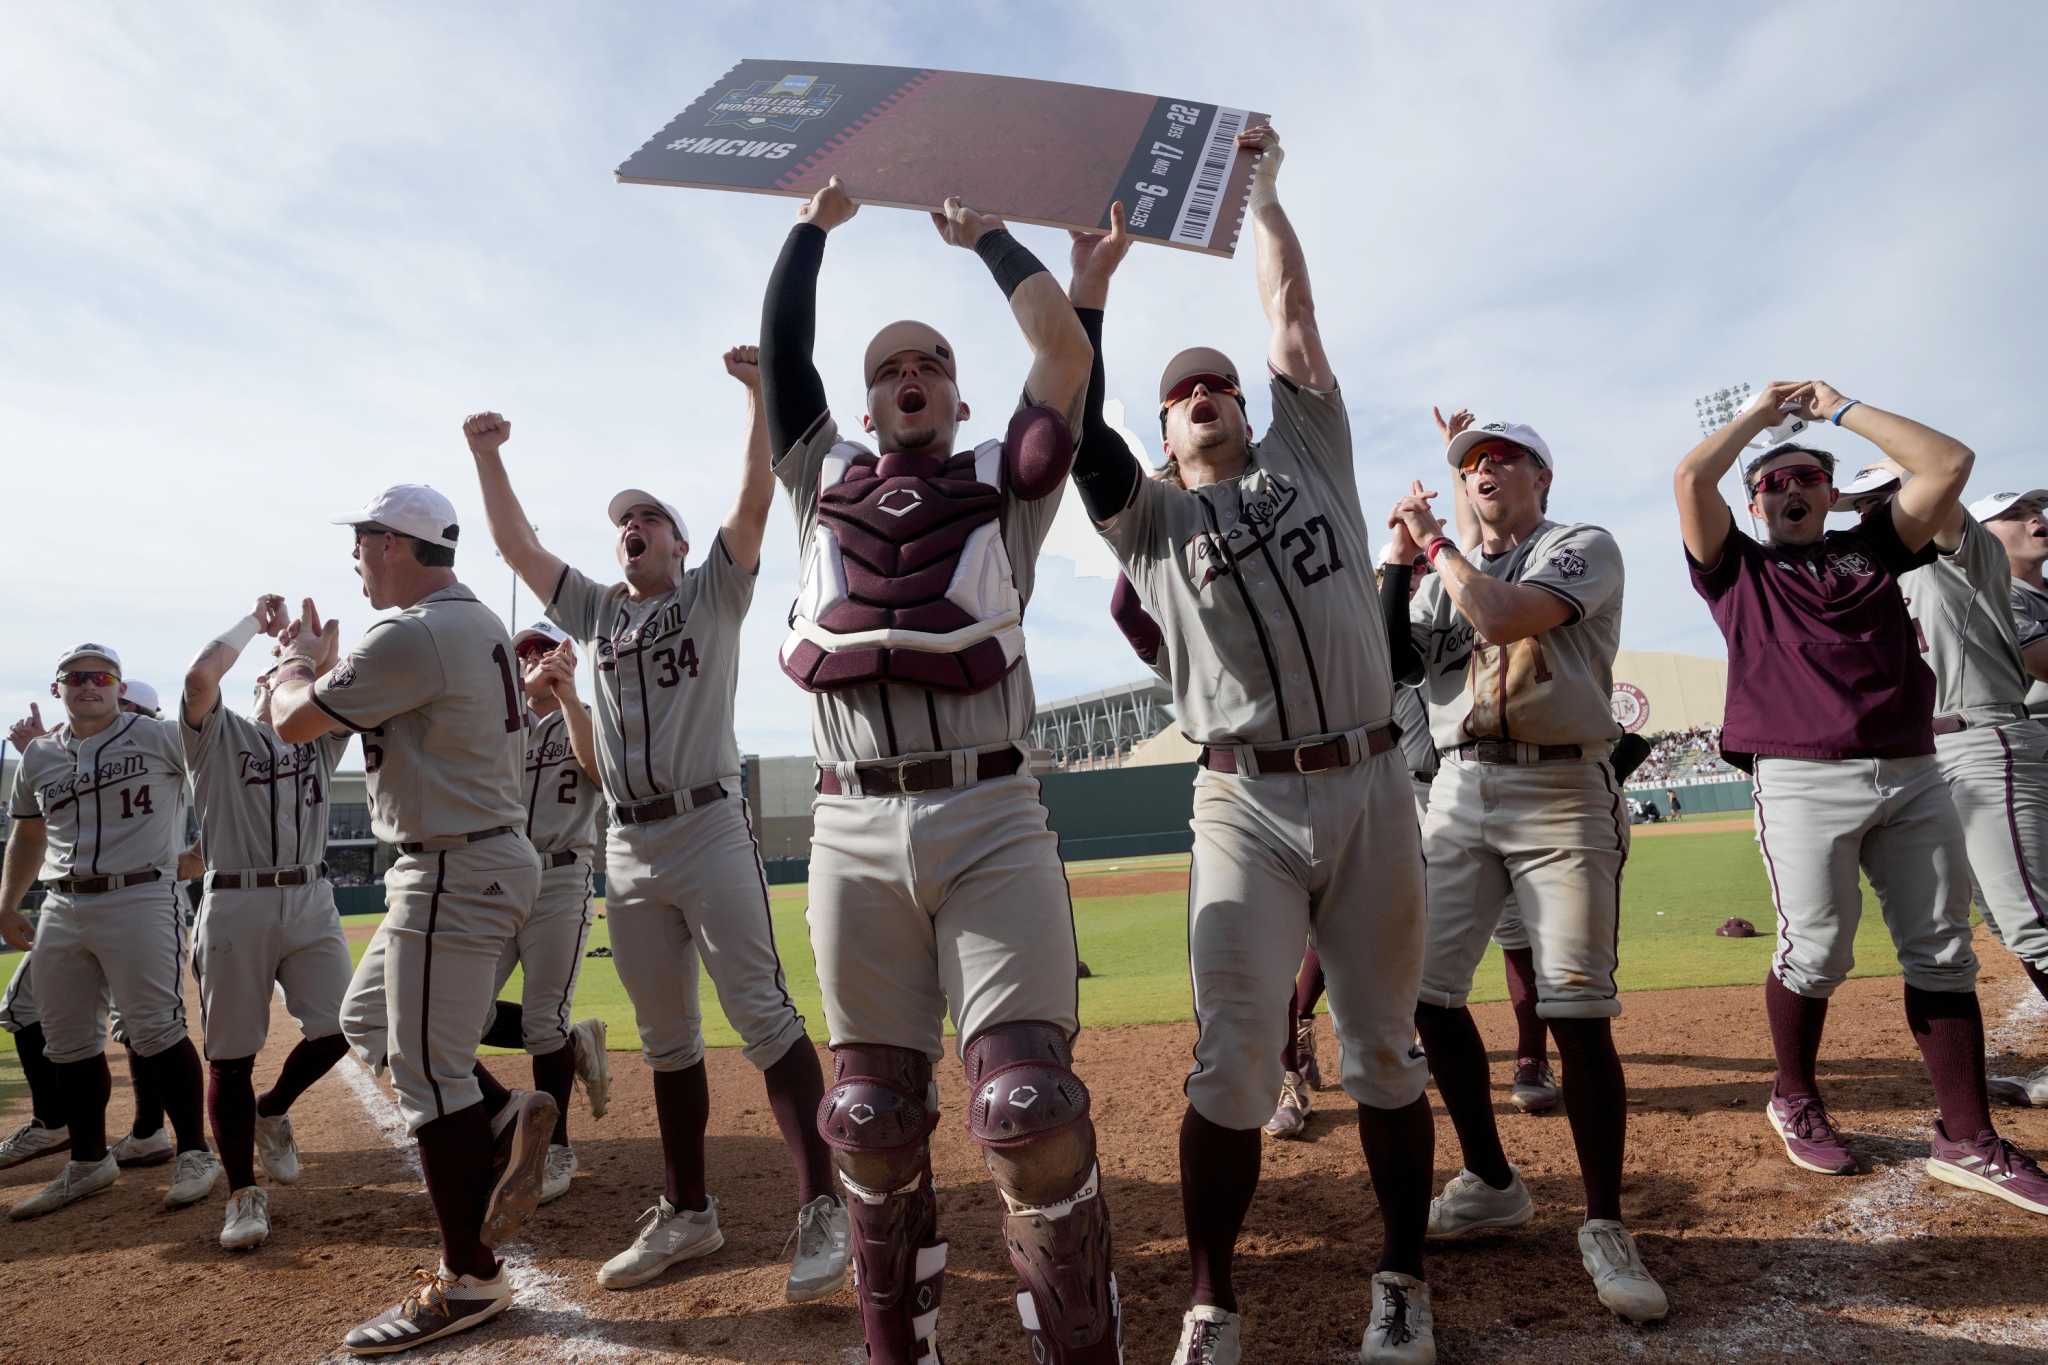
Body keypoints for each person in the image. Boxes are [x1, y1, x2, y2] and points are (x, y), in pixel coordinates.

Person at [1070, 124, 1437, 1364]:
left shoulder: (1309, 454)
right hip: (1243, 802)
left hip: (1376, 778)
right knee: (1230, 1064)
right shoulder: (1148, 521)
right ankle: (1212, 1302)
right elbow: (1071, 425)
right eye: (1177, 394)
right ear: (1162, 434)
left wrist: (1266, 195)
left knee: (1382, 1048)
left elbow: (1287, 313)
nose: (1202, 395)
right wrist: (1091, 288)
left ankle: (1399, 1281)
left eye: (1211, 381)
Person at [761, 176, 1120, 1364]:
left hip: (987, 810)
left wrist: (987, 239)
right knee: (866, 1121)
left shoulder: (1003, 486)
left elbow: (1063, 351)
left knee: (1026, 1112)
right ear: (867, 406)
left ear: (957, 393)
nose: (903, 375)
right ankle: (895, 1351)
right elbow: (785, 359)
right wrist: (809, 233)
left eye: (926, 362)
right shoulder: (818, 482)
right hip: (850, 825)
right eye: (884, 369)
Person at [464, 346, 845, 1300]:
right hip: (625, 843)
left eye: (647, 519)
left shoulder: (711, 594)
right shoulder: (593, 616)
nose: (630, 528)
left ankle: (822, 1205)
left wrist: (758, 398)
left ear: (677, 543)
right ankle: (688, 1212)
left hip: (710, 826)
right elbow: (516, 551)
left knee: (761, 1015)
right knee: (666, 1035)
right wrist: (488, 457)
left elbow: (753, 502)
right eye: (621, 521)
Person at [1674, 381, 2048, 1216]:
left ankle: (1966, 1136)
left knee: (1942, 950)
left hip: (1914, 766)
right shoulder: (1739, 566)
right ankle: (1793, 1091)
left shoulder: (1876, 546)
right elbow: (1693, 481)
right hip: (1802, 773)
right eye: (1773, 482)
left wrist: (1838, 407)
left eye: (1806, 477)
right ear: (1754, 500)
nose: (1789, 488)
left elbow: (1948, 462)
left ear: (1831, 491)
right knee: (1816, 950)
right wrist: (1759, 424)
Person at [1383, 408, 1665, 1323]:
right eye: (1471, 464)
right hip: (1459, 788)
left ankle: (1605, 1220)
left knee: (1577, 1005)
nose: (1484, 470)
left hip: (1561, 788)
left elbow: (1501, 615)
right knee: (1424, 996)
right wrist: (1399, 560)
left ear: (1543, 477)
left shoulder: (1582, 543)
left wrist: (1436, 541)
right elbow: (1395, 657)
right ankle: (1492, 1176)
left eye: (1503, 459)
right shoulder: (1446, 565)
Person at [268, 484, 556, 1353]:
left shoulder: (415, 629)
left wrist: (293, 661)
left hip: (451, 865)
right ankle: (503, 1113)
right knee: (364, 1020)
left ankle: (469, 1277)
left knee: (430, 1079)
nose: (356, 558)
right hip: (464, 855)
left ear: (393, 542)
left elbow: (291, 722)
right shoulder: (469, 623)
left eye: (362, 541)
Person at [1839, 474, 2048, 1112]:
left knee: (2033, 919)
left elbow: (1942, 481)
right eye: (1869, 507)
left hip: (1987, 741)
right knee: (1994, 920)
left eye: (1889, 501)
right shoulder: (1880, 579)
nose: (1877, 516)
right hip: (1935, 758)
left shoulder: (1954, 555)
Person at [1, 646, 219, 1221]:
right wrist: (6, 904)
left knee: (153, 1029)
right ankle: (89, 1161)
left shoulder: (160, 736)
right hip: (62, 902)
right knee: (67, 1040)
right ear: (59, 690)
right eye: (75, 678)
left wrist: (205, 852)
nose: (88, 685)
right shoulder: (40, 757)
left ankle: (196, 1151)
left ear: (119, 688)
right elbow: (28, 835)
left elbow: (222, 781)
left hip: (142, 892)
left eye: (101, 677)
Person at [179, 593, 359, 1250]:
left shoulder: (316, 742)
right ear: (258, 680)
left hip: (309, 894)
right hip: (236, 896)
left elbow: (341, 696)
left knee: (348, 1025)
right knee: (230, 1054)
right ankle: (241, 1194)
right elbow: (201, 679)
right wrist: (260, 627)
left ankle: (274, 1108)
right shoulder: (219, 734)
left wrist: (320, 657)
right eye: (274, 674)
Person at [475, 621, 610, 1206]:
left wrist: (566, 696)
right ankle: (573, 1049)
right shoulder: (496, 724)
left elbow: (599, 770)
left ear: (567, 655)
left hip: (560, 873)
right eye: (521, 650)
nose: (531, 657)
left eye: (542, 647)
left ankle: (556, 1148)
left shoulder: (587, 711)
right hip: (501, 878)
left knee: (541, 1023)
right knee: (463, 1014)